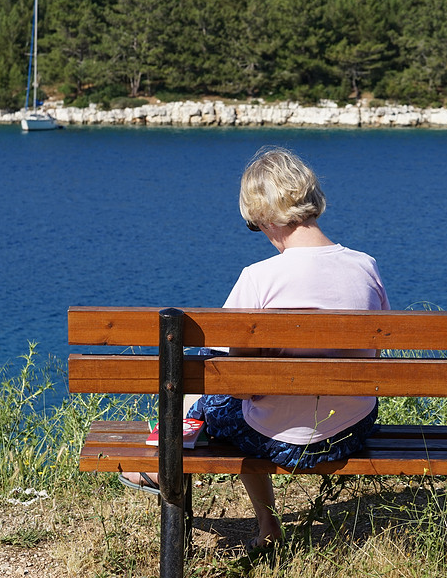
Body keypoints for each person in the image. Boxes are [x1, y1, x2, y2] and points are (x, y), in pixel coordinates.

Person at [121, 146, 389, 550]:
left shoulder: (259, 278)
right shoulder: (365, 266)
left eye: (253, 223)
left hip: (276, 439)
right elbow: (375, 361)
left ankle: (259, 522)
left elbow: (239, 383)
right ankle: (265, 526)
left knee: (207, 391)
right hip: (349, 430)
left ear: (265, 215)